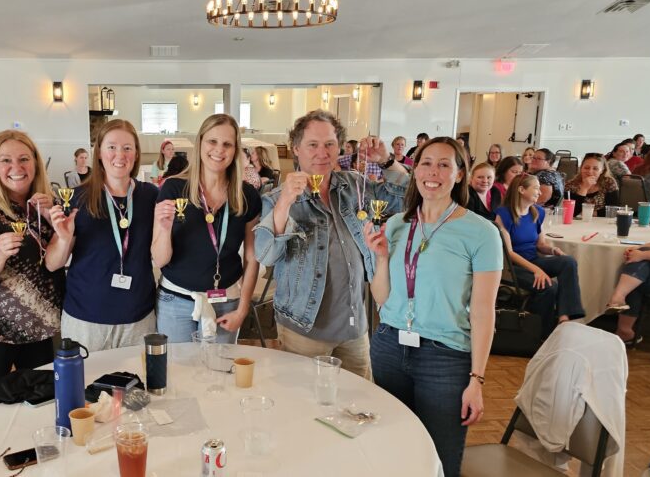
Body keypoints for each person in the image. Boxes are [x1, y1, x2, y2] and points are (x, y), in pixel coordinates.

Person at [362, 137, 501, 477]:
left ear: (459, 174)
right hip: (390, 347)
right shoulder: (397, 224)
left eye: (444, 165)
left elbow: (484, 311)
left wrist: (477, 379)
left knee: (440, 457)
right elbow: (382, 299)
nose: (433, 172)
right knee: (393, 448)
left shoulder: (481, 233)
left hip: (445, 357)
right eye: (426, 163)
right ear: (414, 171)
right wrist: (381, 259)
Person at [253, 110, 410, 378]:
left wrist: (386, 161)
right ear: (297, 149)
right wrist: (284, 203)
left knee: (356, 405)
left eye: (329, 144)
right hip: (303, 328)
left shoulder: (355, 186)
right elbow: (266, 255)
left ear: (339, 148)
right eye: (313, 145)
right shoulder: (276, 198)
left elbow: (406, 198)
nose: (322, 153)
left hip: (354, 326)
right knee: (304, 408)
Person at [0, 130, 63, 397]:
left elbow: (63, 260)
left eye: (24, 159)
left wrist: (53, 219)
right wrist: (0, 253)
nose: (16, 168)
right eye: (6, 160)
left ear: (36, 163)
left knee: (45, 401)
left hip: (41, 326)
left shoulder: (52, 204)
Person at [46, 119, 158, 352]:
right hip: (86, 317)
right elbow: (52, 263)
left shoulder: (150, 196)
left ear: (136, 154)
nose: (120, 154)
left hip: (138, 317)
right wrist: (65, 239)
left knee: (136, 387)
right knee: (86, 387)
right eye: (112, 147)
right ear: (99, 153)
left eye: (127, 148)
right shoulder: (76, 198)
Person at [152, 114, 262, 343]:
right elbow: (160, 261)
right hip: (177, 301)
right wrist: (163, 228)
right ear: (200, 143)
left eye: (227, 144)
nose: (219, 150)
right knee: (178, 375)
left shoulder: (247, 195)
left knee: (220, 375)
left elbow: (252, 258)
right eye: (212, 141)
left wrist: (242, 310)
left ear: (235, 150)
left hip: (227, 302)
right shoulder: (173, 189)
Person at [495, 174, 585, 337]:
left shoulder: (537, 212)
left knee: (568, 262)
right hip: (512, 267)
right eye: (535, 188)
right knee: (549, 287)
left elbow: (541, 244)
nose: (540, 192)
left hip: (533, 260)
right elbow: (509, 253)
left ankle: (565, 317)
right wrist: (536, 270)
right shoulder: (504, 214)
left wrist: (552, 250)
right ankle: (539, 333)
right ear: (521, 190)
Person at [563, 153, 620, 217]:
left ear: (602, 170)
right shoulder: (570, 185)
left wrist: (588, 213)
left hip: (602, 223)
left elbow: (612, 210)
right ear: (581, 168)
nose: (590, 172)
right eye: (586, 168)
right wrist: (584, 188)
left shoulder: (609, 183)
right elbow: (572, 213)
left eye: (595, 169)